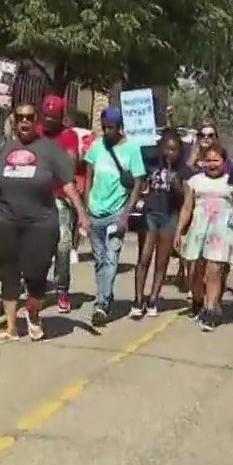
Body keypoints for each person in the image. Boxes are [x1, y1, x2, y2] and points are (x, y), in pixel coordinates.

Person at [0, 103, 88, 342]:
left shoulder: (50, 150)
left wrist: (81, 213)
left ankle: (33, 314)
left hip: (40, 222)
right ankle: (11, 327)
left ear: (37, 120)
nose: (25, 122)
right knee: (9, 273)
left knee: (36, 274)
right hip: (4, 219)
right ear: (15, 120)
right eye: (20, 117)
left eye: (30, 118)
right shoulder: (1, 148)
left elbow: (67, 184)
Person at [174, 143, 233, 332]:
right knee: (196, 273)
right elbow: (187, 208)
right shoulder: (194, 181)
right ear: (202, 162)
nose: (212, 164)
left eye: (216, 160)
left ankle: (212, 310)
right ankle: (199, 303)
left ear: (224, 163)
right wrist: (178, 231)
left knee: (214, 271)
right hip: (199, 231)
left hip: (221, 232)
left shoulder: (232, 182)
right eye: (208, 160)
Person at [82, 106, 146, 326]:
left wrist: (125, 215)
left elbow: (138, 182)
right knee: (99, 260)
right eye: (104, 127)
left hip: (117, 211)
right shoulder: (96, 147)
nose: (106, 131)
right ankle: (103, 295)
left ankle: (102, 304)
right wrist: (86, 206)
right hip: (95, 212)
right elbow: (88, 175)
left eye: (111, 127)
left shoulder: (132, 149)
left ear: (119, 128)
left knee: (111, 259)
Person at [131, 129, 188, 318]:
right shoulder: (150, 163)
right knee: (144, 258)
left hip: (169, 215)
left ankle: (154, 298)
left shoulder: (181, 171)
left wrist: (176, 183)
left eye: (174, 150)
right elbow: (137, 181)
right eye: (167, 148)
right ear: (161, 148)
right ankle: (138, 300)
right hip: (150, 214)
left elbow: (184, 199)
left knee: (162, 261)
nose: (170, 153)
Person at [37, 95, 83, 313]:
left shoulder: (69, 135)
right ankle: (34, 287)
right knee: (35, 246)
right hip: (35, 197)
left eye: (52, 117)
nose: (47, 120)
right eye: (45, 115)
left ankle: (62, 289)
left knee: (63, 246)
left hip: (60, 198)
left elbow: (70, 164)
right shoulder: (35, 132)